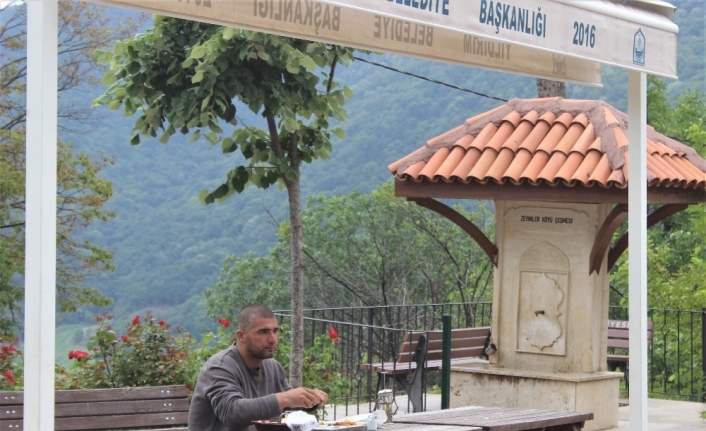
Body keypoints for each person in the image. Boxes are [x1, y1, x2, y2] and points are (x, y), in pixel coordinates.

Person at [188, 304, 328, 431]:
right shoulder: (219, 367)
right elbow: (231, 413)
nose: (273, 339)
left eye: (275, 331)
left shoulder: (272, 367)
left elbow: (288, 402)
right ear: (241, 336)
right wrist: (285, 398)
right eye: (263, 332)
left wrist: (311, 398)